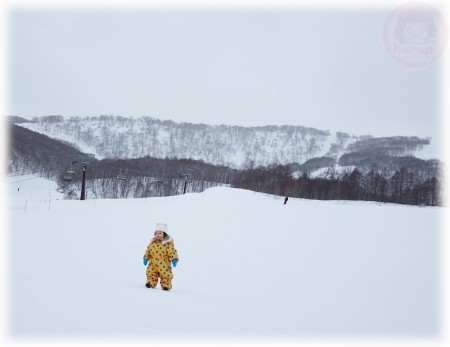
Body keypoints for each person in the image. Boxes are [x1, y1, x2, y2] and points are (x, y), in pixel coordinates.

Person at [143, 223, 179, 291]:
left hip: (164, 264)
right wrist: (145, 257)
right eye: (156, 233)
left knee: (166, 275)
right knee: (151, 273)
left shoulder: (167, 243)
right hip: (153, 264)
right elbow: (148, 251)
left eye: (160, 233)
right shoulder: (152, 243)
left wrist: (174, 259)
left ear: (164, 234)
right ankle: (150, 283)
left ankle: (166, 285)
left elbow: (172, 251)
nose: (157, 234)